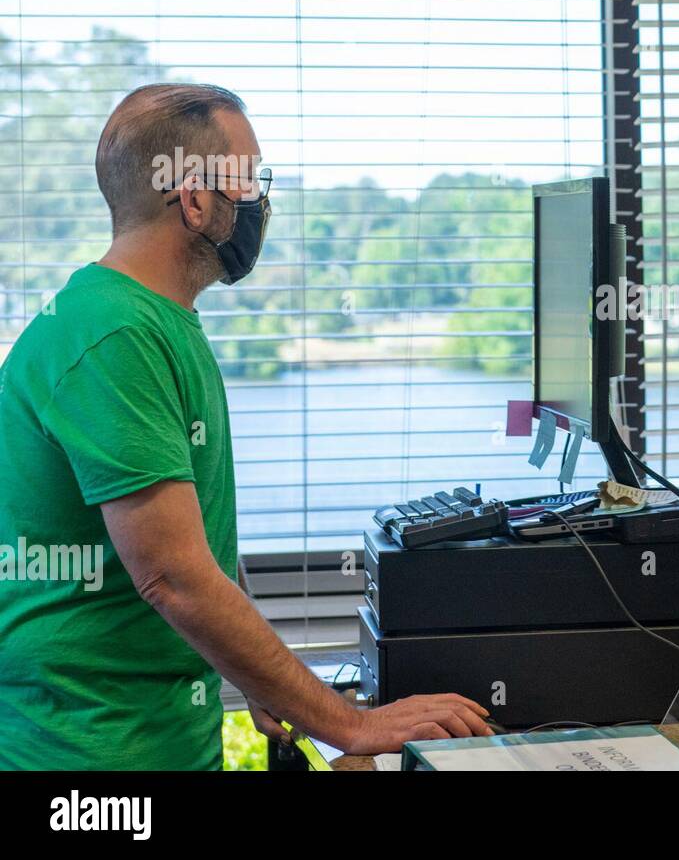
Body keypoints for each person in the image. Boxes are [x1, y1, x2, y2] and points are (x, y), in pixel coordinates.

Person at [0, 84, 492, 769]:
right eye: (252, 182)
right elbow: (172, 578)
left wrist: (270, 680)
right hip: (89, 764)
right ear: (196, 199)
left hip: (157, 741)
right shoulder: (112, 335)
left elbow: (194, 540)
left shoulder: (155, 319)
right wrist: (350, 725)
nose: (262, 203)